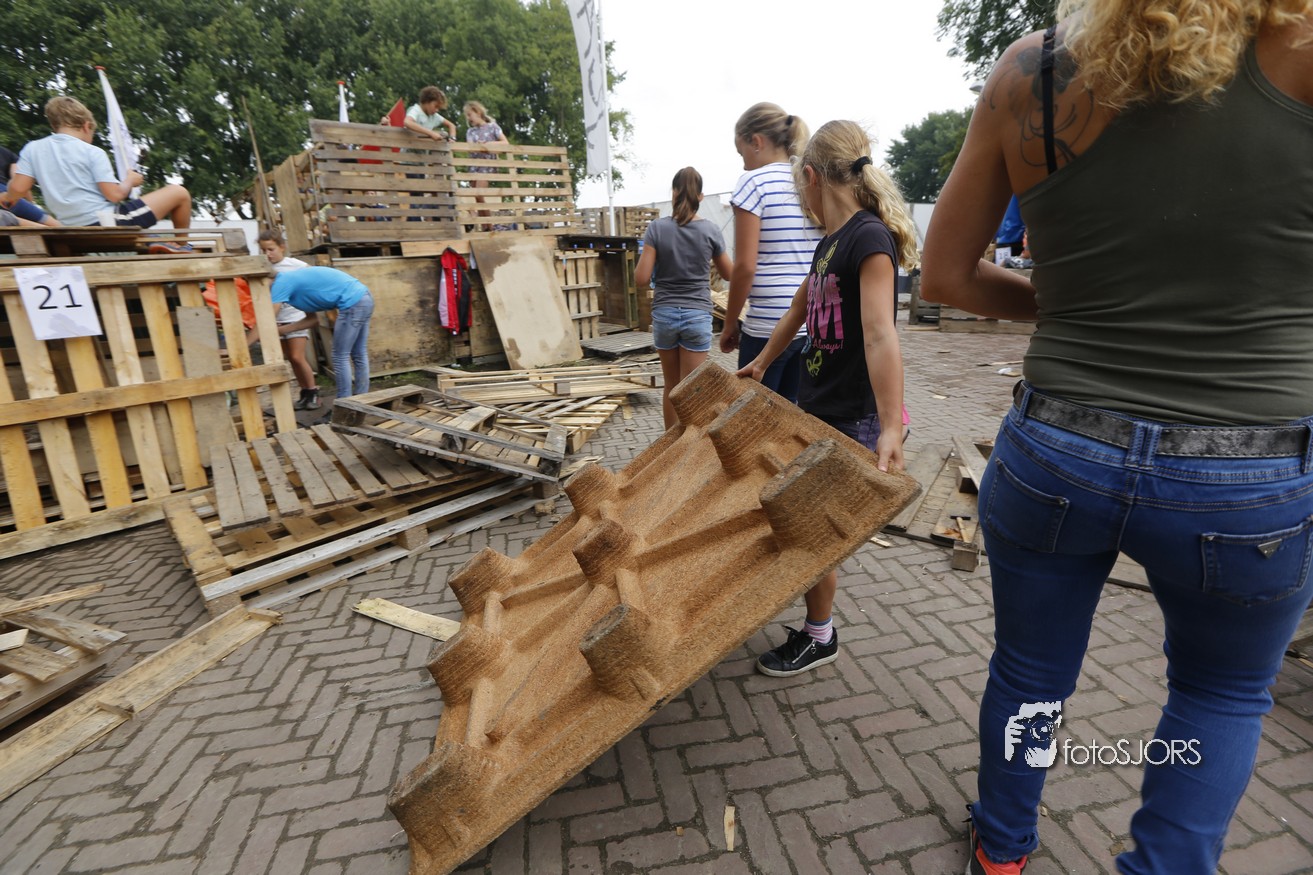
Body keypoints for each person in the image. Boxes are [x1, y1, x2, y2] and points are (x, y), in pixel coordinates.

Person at [920, 3, 1313, 873]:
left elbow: (942, 274)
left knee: (1028, 671)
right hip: (1248, 469)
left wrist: (1076, 310)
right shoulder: (1302, 47)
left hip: (1058, 444)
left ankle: (1000, 849)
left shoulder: (1029, 70)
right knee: (1218, 694)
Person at [738, 120, 918, 678]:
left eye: (801, 188)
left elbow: (880, 334)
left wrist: (891, 426)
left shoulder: (869, 239)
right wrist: (762, 363)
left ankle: (821, 636)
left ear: (812, 177)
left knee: (815, 532)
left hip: (854, 415)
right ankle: (819, 629)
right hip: (821, 404)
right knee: (806, 522)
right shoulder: (829, 245)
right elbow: (798, 308)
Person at [720, 103, 822, 403]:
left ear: (756, 141)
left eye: (742, 154)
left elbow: (745, 267)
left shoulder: (754, 184)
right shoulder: (809, 181)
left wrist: (730, 323)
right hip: (809, 325)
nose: (744, 165)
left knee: (750, 419)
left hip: (767, 327)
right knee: (791, 418)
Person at [1, 97, 192, 249]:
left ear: (54, 125)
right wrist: (129, 180)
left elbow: (18, 189)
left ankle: (161, 244)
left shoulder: (32, 149)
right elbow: (114, 195)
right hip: (105, 223)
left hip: (69, 229)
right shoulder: (92, 152)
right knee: (179, 193)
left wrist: (7, 197)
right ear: (86, 126)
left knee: (149, 234)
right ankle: (182, 246)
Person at [634, 167, 734, 428]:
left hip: (665, 314)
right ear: (700, 196)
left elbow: (641, 278)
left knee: (672, 386)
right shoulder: (710, 230)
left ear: (674, 192)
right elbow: (729, 274)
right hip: (697, 315)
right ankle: (688, 446)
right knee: (690, 391)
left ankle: (670, 445)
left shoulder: (656, 228)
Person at [270, 266, 374, 401]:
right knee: (359, 352)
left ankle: (344, 401)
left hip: (352, 302)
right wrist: (280, 330)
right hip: (364, 296)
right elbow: (312, 320)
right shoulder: (293, 281)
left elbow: (268, 320)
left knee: (340, 356)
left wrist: (257, 337)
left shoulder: (280, 283)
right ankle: (362, 397)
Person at [257, 229, 321, 411]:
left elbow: (314, 276)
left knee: (297, 357)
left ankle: (313, 392)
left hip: (295, 317)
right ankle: (304, 393)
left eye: (271, 249)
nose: (267, 254)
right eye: (263, 250)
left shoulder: (294, 264)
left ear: (282, 247)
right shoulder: (262, 267)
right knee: (290, 360)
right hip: (276, 319)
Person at [462, 100, 511, 230]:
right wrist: (478, 146)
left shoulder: (493, 127)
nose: (468, 118)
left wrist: (488, 145)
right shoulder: (470, 131)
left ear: (478, 112)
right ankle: (486, 227)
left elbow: (505, 143)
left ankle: (486, 223)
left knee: (479, 193)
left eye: (469, 114)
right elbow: (471, 148)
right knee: (478, 197)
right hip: (474, 166)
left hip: (486, 165)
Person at [0, 145, 59, 226]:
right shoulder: (6, 153)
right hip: (3, 194)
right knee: (54, 225)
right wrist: (31, 204)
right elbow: (19, 181)